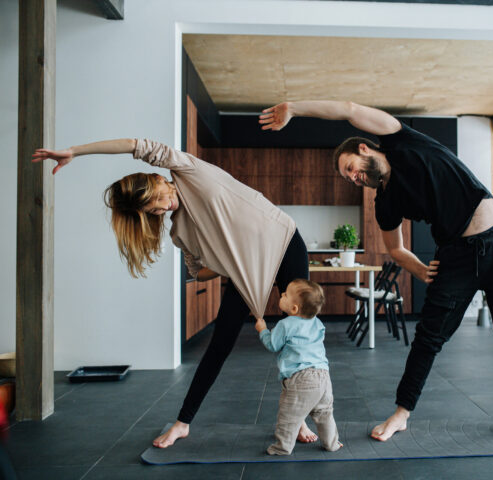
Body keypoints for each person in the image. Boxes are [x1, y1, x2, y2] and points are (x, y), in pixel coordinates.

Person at [259, 101, 493, 441]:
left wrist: (295, 108)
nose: (354, 177)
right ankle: (402, 414)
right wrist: (423, 270)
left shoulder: (403, 141)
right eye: (348, 177)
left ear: (365, 148)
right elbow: (394, 248)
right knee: (428, 338)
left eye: (351, 167)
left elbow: (349, 109)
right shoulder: (384, 203)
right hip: (457, 256)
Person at [31, 139, 320, 448]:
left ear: (158, 178)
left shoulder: (187, 170)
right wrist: (225, 262)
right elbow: (198, 272)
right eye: (149, 208)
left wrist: (76, 151)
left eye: (155, 197)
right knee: (219, 346)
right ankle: (183, 423)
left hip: (286, 243)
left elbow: (134, 144)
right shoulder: (179, 231)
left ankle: (298, 416)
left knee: (298, 338)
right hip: (246, 273)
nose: (158, 206)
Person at [255, 279, 342, 455]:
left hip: (301, 378)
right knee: (325, 414)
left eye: (285, 294)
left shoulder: (285, 324)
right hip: (323, 376)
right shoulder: (317, 323)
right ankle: (331, 443)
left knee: (288, 416)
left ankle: (282, 447)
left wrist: (262, 330)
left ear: (294, 309)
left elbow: (273, 345)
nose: (282, 295)